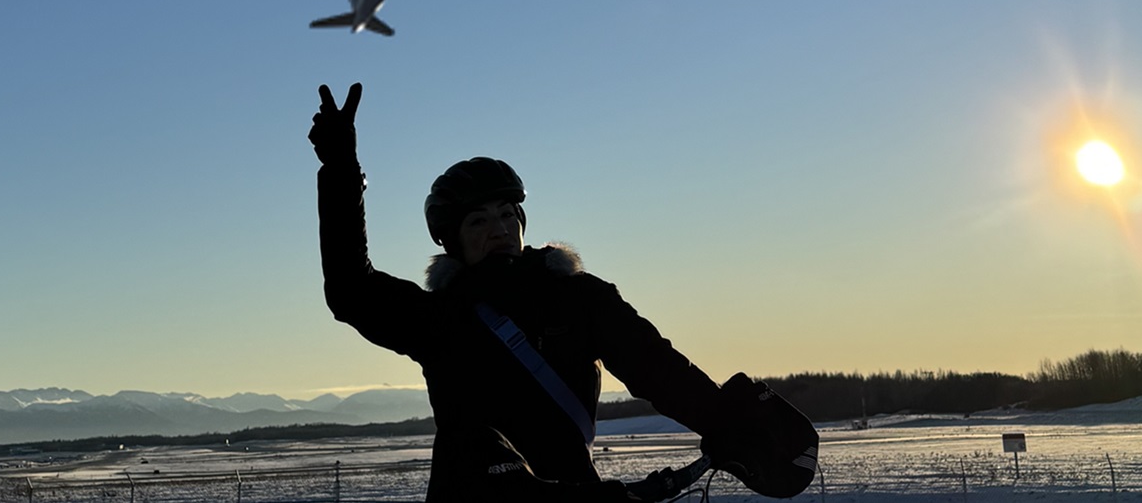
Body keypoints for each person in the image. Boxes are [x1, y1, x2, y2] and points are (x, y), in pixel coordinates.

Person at [310, 84, 816, 502]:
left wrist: (730, 424)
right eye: (479, 221)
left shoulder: (578, 297)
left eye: (508, 216)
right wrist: (340, 171)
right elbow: (351, 290)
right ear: (453, 241)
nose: (499, 230)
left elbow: (657, 368)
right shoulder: (441, 317)